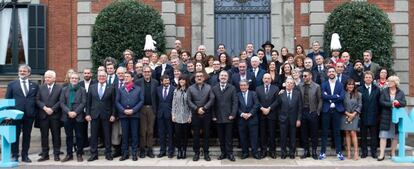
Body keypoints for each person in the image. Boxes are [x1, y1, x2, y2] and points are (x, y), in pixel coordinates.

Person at [5, 65, 39, 163]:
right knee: (15, 135)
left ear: (29, 73)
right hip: (15, 115)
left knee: (27, 136)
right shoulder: (12, 84)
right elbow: (8, 99)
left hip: (29, 115)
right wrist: (9, 114)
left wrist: (35, 113)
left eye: (24, 71)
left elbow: (36, 100)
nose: (22, 72)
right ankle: (15, 155)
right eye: (20, 71)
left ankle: (25, 156)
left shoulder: (35, 85)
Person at [85, 71, 116, 161]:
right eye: (100, 76)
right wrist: (87, 114)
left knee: (107, 135)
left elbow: (114, 103)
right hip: (94, 115)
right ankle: (94, 154)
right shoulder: (92, 87)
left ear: (106, 77)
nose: (101, 77)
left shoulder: (111, 88)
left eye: (103, 76)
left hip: (107, 115)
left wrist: (113, 114)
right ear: (97, 77)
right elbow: (88, 103)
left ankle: (108, 153)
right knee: (94, 136)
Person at [116, 71, 144, 161]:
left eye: (128, 76)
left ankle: (135, 153)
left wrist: (133, 110)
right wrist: (123, 110)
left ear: (132, 78)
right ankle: (125, 154)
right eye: (125, 76)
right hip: (123, 115)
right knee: (125, 135)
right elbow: (117, 101)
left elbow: (141, 101)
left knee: (135, 134)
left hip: (134, 115)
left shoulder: (138, 89)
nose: (125, 78)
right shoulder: (120, 89)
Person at [378, 76, 406, 161]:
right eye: (388, 81)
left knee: (395, 136)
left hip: (396, 117)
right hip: (386, 116)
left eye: (391, 81)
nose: (389, 82)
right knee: (383, 135)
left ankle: (392, 152)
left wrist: (398, 103)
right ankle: (382, 154)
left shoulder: (400, 92)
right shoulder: (384, 91)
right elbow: (381, 102)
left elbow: (404, 103)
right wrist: (391, 104)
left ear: (395, 83)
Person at [319, 67, 345, 160]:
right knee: (324, 132)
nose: (331, 73)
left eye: (333, 71)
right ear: (327, 74)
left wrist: (329, 97)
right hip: (326, 111)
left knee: (337, 132)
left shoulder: (340, 85)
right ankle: (322, 152)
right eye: (329, 71)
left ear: (336, 73)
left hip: (337, 111)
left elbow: (341, 97)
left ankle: (339, 153)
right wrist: (335, 96)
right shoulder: (324, 84)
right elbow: (323, 96)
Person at [211, 71, 238, 162]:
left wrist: (233, 114)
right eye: (222, 75)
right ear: (218, 77)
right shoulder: (214, 88)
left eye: (225, 76)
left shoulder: (232, 88)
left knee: (228, 137)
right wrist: (213, 115)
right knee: (221, 137)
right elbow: (212, 103)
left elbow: (235, 102)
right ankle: (223, 153)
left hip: (229, 117)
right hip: (218, 117)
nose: (223, 77)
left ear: (228, 77)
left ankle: (230, 153)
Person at [187, 71, 214, 161]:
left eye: (200, 76)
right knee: (196, 135)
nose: (199, 77)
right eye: (197, 76)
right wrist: (197, 109)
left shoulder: (209, 87)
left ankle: (206, 153)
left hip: (206, 114)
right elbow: (189, 100)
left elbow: (212, 99)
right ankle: (196, 153)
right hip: (195, 114)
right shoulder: (190, 88)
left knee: (206, 134)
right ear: (195, 78)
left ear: (204, 78)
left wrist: (204, 108)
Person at [60, 73, 87, 162]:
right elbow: (62, 103)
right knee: (69, 136)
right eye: (72, 78)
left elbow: (83, 103)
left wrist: (75, 112)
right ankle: (69, 154)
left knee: (79, 136)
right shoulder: (64, 89)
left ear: (78, 79)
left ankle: (79, 154)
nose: (74, 80)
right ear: (70, 79)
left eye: (76, 78)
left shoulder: (82, 90)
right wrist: (69, 112)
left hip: (78, 116)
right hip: (67, 117)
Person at [36, 70, 62, 162]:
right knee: (44, 136)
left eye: (49, 77)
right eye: (46, 77)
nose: (46, 79)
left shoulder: (59, 88)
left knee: (56, 136)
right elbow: (37, 100)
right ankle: (45, 154)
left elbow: (61, 101)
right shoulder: (40, 88)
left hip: (55, 116)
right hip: (43, 116)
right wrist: (44, 108)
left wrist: (53, 109)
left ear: (54, 78)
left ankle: (56, 154)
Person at [135, 66, 159, 158]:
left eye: (148, 72)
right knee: (142, 131)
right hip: (141, 109)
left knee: (150, 131)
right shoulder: (138, 82)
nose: (147, 73)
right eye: (145, 72)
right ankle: (142, 150)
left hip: (152, 109)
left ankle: (150, 149)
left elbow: (157, 97)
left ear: (151, 73)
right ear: (143, 73)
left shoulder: (155, 82)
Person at [298, 70, 322, 160]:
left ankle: (314, 151)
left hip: (313, 112)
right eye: (303, 76)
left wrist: (318, 112)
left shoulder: (317, 86)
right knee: (304, 133)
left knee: (314, 133)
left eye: (305, 76)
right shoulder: (300, 86)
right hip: (303, 112)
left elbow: (320, 100)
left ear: (310, 76)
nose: (304, 77)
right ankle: (306, 151)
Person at [277, 78, 302, 159]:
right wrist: (279, 117)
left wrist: (298, 119)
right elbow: (278, 107)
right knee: (283, 137)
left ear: (293, 85)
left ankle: (292, 153)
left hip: (293, 120)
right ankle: (283, 153)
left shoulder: (297, 93)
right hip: (283, 119)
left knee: (293, 137)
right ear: (285, 83)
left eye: (291, 83)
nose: (289, 84)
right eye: (288, 82)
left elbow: (300, 107)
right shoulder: (281, 94)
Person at [256, 73, 279, 159]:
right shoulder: (258, 89)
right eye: (265, 78)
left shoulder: (276, 88)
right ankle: (263, 151)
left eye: (268, 78)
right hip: (261, 115)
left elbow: (277, 101)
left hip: (272, 114)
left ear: (271, 80)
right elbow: (256, 100)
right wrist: (262, 108)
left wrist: (269, 108)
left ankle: (272, 151)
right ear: (262, 79)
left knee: (272, 134)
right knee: (262, 134)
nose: (266, 80)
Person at [358, 71, 380, 159]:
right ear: (364, 79)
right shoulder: (359, 89)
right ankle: (364, 152)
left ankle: (374, 152)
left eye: (369, 77)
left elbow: (379, 103)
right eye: (366, 77)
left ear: (372, 79)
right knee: (363, 135)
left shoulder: (377, 89)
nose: (368, 79)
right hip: (363, 115)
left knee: (374, 135)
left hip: (374, 115)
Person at [237, 80, 261, 160]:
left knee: (254, 137)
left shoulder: (253, 93)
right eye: (241, 85)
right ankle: (245, 153)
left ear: (248, 86)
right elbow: (236, 107)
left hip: (252, 119)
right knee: (243, 137)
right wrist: (242, 114)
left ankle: (255, 153)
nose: (243, 87)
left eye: (244, 85)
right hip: (242, 119)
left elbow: (257, 104)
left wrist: (250, 114)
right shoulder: (237, 95)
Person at [341, 79, 362, 160]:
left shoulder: (359, 94)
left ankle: (356, 152)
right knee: (347, 133)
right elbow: (341, 105)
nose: (351, 86)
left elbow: (360, 105)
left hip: (355, 115)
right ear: (346, 86)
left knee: (353, 132)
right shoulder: (343, 94)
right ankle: (349, 152)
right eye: (349, 84)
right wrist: (348, 114)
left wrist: (353, 114)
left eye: (352, 84)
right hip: (345, 115)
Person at [172, 76, 192, 159]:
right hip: (177, 116)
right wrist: (173, 114)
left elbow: (191, 105)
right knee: (178, 135)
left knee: (185, 135)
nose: (181, 81)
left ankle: (184, 150)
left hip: (186, 116)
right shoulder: (176, 91)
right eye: (180, 80)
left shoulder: (189, 90)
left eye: (183, 79)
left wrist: (190, 116)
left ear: (186, 81)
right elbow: (174, 104)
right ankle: (179, 150)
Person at [155, 75, 175, 158]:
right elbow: (156, 101)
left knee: (170, 133)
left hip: (170, 114)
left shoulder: (174, 89)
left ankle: (171, 151)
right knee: (161, 133)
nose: (167, 82)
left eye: (168, 80)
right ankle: (162, 151)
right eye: (165, 81)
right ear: (161, 81)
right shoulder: (158, 89)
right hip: (160, 115)